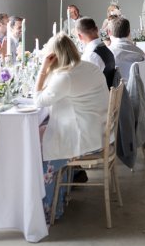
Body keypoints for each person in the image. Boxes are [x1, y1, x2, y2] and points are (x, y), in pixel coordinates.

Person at [34, 33, 109, 223]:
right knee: (42, 130)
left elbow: (38, 100)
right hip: (100, 130)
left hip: (85, 136)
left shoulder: (65, 76)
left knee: (38, 150)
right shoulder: (89, 67)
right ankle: (63, 190)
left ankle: (49, 209)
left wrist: (43, 70)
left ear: (54, 57)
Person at [76, 17, 115, 89]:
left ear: (79, 36)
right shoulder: (106, 49)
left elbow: (84, 83)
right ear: (97, 29)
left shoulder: (91, 55)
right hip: (106, 93)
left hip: (98, 97)